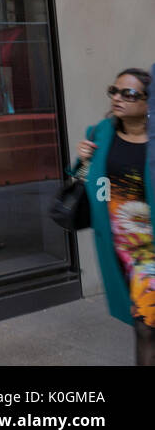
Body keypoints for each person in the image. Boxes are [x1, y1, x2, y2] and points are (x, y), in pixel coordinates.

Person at [74, 67, 155, 366]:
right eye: (115, 91)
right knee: (143, 323)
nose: (118, 98)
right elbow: (83, 181)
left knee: (146, 325)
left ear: (149, 102)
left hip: (150, 249)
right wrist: (83, 161)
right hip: (120, 246)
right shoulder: (102, 133)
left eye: (129, 94)